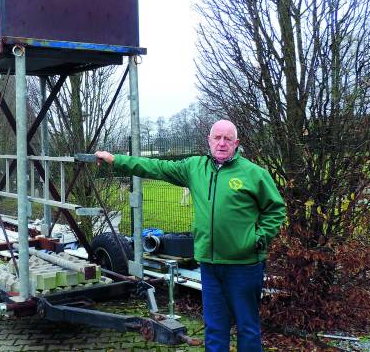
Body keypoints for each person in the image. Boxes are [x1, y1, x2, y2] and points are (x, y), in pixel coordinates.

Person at [96, 120, 285, 352]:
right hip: (209, 265)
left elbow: (276, 210)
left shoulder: (254, 174)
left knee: (247, 327)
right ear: (209, 140)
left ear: (236, 143)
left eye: (227, 139)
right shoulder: (195, 168)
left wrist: (258, 239)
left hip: (244, 265)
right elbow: (156, 167)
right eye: (217, 138)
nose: (222, 143)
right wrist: (117, 160)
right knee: (215, 328)